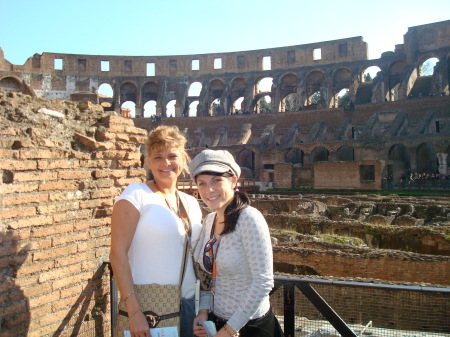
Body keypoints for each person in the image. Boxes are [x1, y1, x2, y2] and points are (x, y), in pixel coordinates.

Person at [109, 125, 203, 337]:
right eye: (157, 157)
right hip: (149, 305)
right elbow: (117, 254)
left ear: (183, 159)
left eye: (172, 156)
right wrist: (134, 312)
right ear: (148, 162)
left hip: (189, 305)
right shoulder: (135, 194)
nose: (166, 163)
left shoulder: (190, 202)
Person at [190, 150, 284, 337]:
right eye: (202, 183)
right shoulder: (209, 220)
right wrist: (203, 311)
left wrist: (230, 329)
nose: (209, 190)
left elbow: (263, 282)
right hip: (216, 322)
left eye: (217, 180)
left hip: (251, 327)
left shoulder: (249, 218)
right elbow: (208, 277)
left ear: (233, 181)